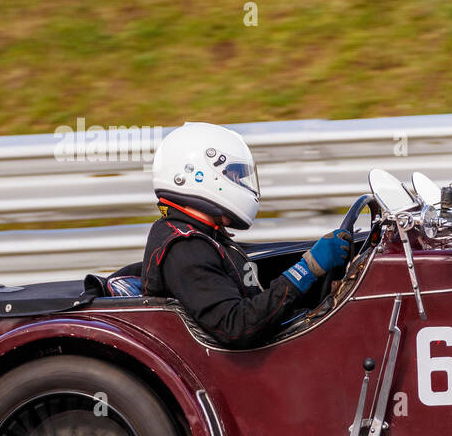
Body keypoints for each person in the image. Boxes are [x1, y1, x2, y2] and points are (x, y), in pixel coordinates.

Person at [140, 122, 350, 348]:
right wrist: (306, 270)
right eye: (234, 176)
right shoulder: (186, 248)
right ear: (198, 174)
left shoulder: (206, 235)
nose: (240, 183)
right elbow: (237, 326)